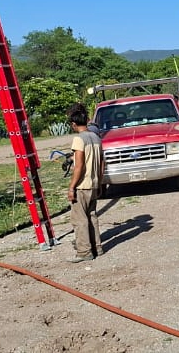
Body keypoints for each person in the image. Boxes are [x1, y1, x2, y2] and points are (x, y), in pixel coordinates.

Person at [66, 102, 104, 263]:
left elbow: (79, 165)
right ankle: (97, 247)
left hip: (82, 185)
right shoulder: (96, 137)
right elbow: (103, 163)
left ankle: (84, 251)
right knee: (92, 216)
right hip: (94, 183)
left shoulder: (79, 140)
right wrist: (100, 182)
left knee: (79, 219)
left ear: (74, 124)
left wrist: (71, 187)